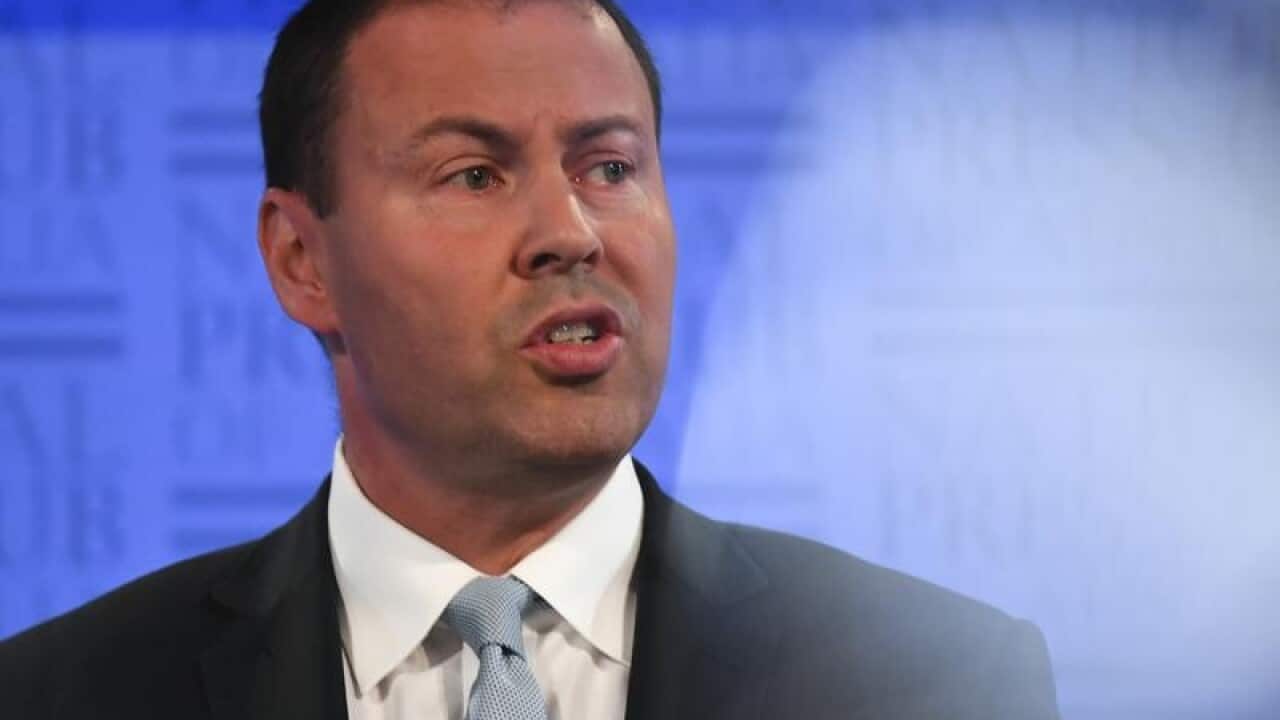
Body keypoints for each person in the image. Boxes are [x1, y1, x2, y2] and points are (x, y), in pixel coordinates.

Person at [0, 0, 1061, 717]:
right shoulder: (65, 694)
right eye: (474, 174)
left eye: (609, 167)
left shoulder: (933, 682)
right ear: (300, 261)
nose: (570, 232)